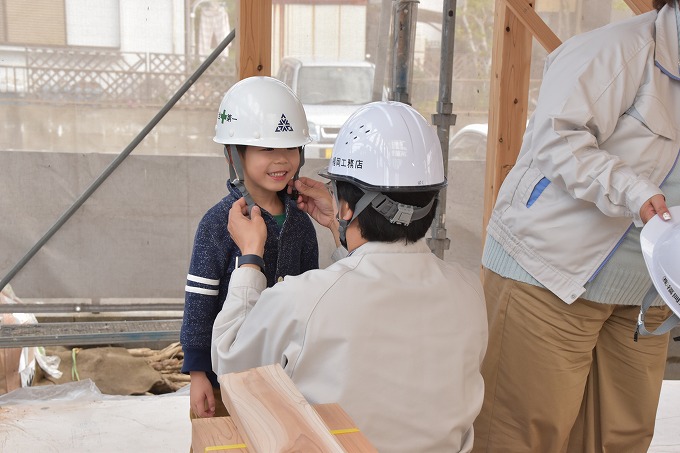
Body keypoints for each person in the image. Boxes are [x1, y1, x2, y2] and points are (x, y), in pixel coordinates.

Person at [211, 101, 488, 453]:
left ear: (344, 204)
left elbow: (231, 363)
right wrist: (341, 229)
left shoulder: (303, 301)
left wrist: (250, 257)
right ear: (432, 202)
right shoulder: (468, 291)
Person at [473, 1, 680, 451]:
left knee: (618, 439)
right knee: (518, 434)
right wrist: (635, 191)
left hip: (647, 294)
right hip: (547, 273)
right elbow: (557, 137)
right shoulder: (617, 49)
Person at [180, 76, 319, 419]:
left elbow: (313, 299)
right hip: (224, 380)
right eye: (267, 148)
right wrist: (199, 374)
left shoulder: (301, 223)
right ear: (234, 154)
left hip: (285, 378)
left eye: (290, 148)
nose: (282, 160)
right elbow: (199, 303)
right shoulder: (216, 224)